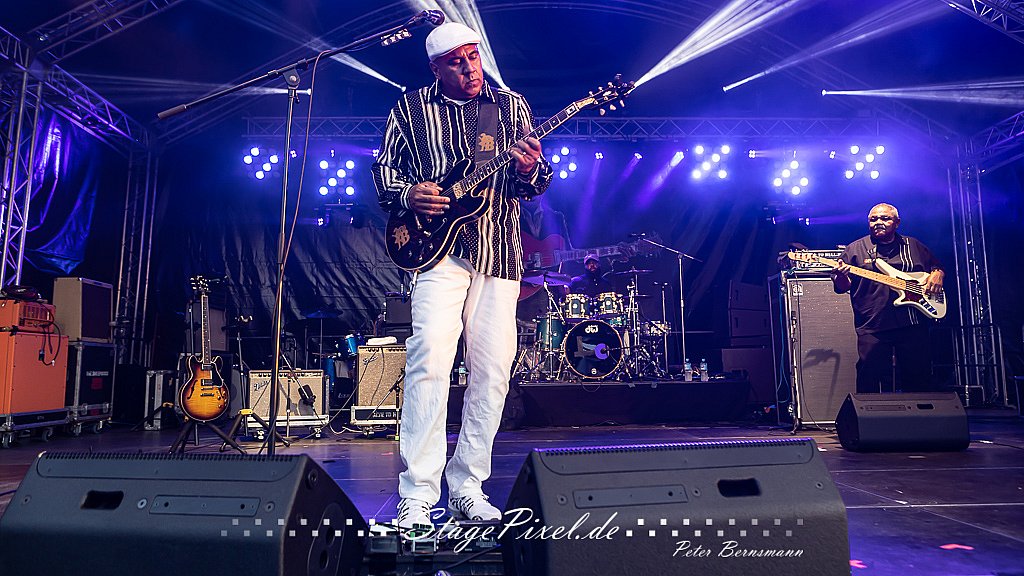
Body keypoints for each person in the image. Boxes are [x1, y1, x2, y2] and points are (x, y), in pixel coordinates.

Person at [371, 22, 553, 532]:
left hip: (499, 251)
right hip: (437, 254)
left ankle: (468, 487)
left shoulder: (509, 106)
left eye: (473, 57)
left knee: (492, 372)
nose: (470, 69)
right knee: (429, 362)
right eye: (457, 62)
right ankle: (417, 493)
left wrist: (531, 168)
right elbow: (384, 171)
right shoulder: (409, 108)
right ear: (436, 68)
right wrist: (408, 194)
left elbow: (533, 184)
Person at [831, 203, 944, 394]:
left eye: (885, 218)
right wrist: (841, 275)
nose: (878, 222)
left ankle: (918, 413)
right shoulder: (855, 249)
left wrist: (938, 273)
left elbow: (936, 266)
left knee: (918, 377)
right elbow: (842, 287)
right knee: (869, 376)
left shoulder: (913, 245)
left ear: (897, 223)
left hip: (911, 322)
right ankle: (869, 413)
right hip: (873, 324)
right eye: (873, 219)